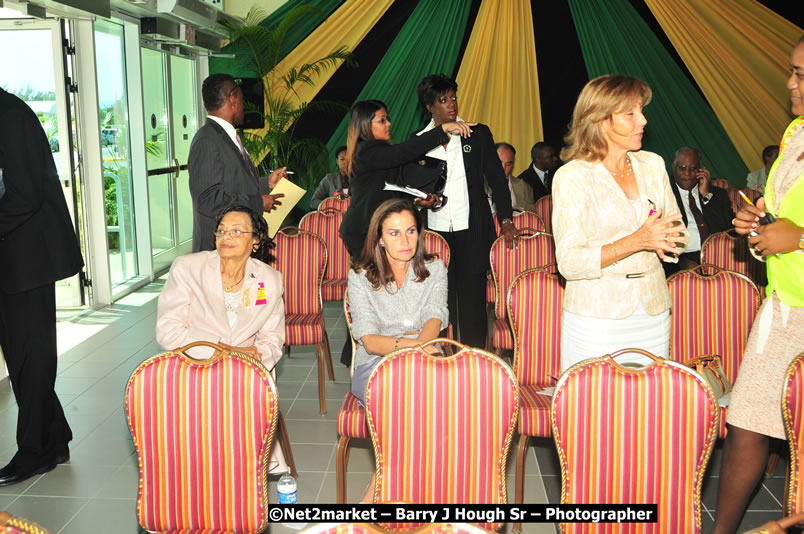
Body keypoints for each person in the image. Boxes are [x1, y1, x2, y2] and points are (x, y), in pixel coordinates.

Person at [711, 37, 804, 534]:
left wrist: (800, 237)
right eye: (792, 70)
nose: (789, 83)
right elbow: (781, 218)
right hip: (784, 305)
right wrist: (758, 226)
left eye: (801, 74)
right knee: (746, 417)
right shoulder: (795, 133)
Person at [552, 74, 685, 371]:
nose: (643, 120)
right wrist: (638, 241)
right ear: (601, 121)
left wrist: (669, 241)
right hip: (596, 317)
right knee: (594, 399)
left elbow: (678, 230)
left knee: (650, 399)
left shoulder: (653, 165)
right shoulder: (573, 177)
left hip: (653, 311)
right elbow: (570, 263)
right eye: (630, 113)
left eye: (641, 111)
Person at [0, 87, 83, 485]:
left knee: (30, 358)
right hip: (15, 257)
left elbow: (25, 195)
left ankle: (34, 451)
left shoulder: (10, 116)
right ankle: (56, 436)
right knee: (22, 356)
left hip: (28, 260)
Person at [348, 199, 448, 502]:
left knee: (433, 392)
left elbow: (435, 316)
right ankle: (393, 489)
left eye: (410, 231)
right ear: (379, 238)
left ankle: (378, 489)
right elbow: (369, 339)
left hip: (426, 360)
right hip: (376, 365)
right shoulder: (360, 275)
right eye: (394, 233)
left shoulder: (434, 268)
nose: (405, 241)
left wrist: (418, 350)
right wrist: (414, 348)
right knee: (409, 394)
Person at [414, 74, 518, 349]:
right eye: (443, 100)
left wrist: (506, 219)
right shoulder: (419, 141)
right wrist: (420, 201)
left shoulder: (478, 133)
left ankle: (474, 358)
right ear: (429, 106)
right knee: (439, 300)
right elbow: (411, 189)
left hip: (472, 230)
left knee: (473, 301)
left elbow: (498, 180)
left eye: (453, 97)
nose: (451, 104)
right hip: (435, 234)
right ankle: (441, 356)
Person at [338, 99, 473, 261]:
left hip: (377, 228)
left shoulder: (381, 153)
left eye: (387, 119)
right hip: (365, 230)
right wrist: (443, 129)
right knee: (379, 276)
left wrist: (419, 201)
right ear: (365, 125)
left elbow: (391, 190)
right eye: (382, 120)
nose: (388, 124)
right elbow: (405, 151)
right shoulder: (365, 151)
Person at [156, 205, 284, 370]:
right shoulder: (187, 269)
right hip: (193, 368)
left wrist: (254, 359)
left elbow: (272, 339)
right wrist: (229, 352)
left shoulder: (269, 280)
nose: (226, 236)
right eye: (221, 231)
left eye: (236, 231)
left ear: (256, 240)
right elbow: (168, 331)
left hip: (244, 371)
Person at [188, 73, 287, 252]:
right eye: (242, 99)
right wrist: (257, 203)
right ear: (233, 99)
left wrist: (266, 183)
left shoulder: (224, 136)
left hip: (234, 247)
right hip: (218, 252)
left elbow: (234, 185)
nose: (244, 106)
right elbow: (208, 200)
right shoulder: (207, 141)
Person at [664, 146, 736, 275]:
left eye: (693, 168)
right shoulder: (664, 196)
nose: (688, 173)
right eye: (682, 168)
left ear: (701, 170)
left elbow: (729, 230)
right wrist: (681, 261)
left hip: (718, 256)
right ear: (674, 168)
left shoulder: (718, 195)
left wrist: (706, 197)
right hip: (681, 258)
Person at [495, 142, 538, 213]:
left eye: (508, 164)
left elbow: (532, 216)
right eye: (499, 162)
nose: (503, 168)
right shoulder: (477, 185)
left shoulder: (524, 188)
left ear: (513, 164)